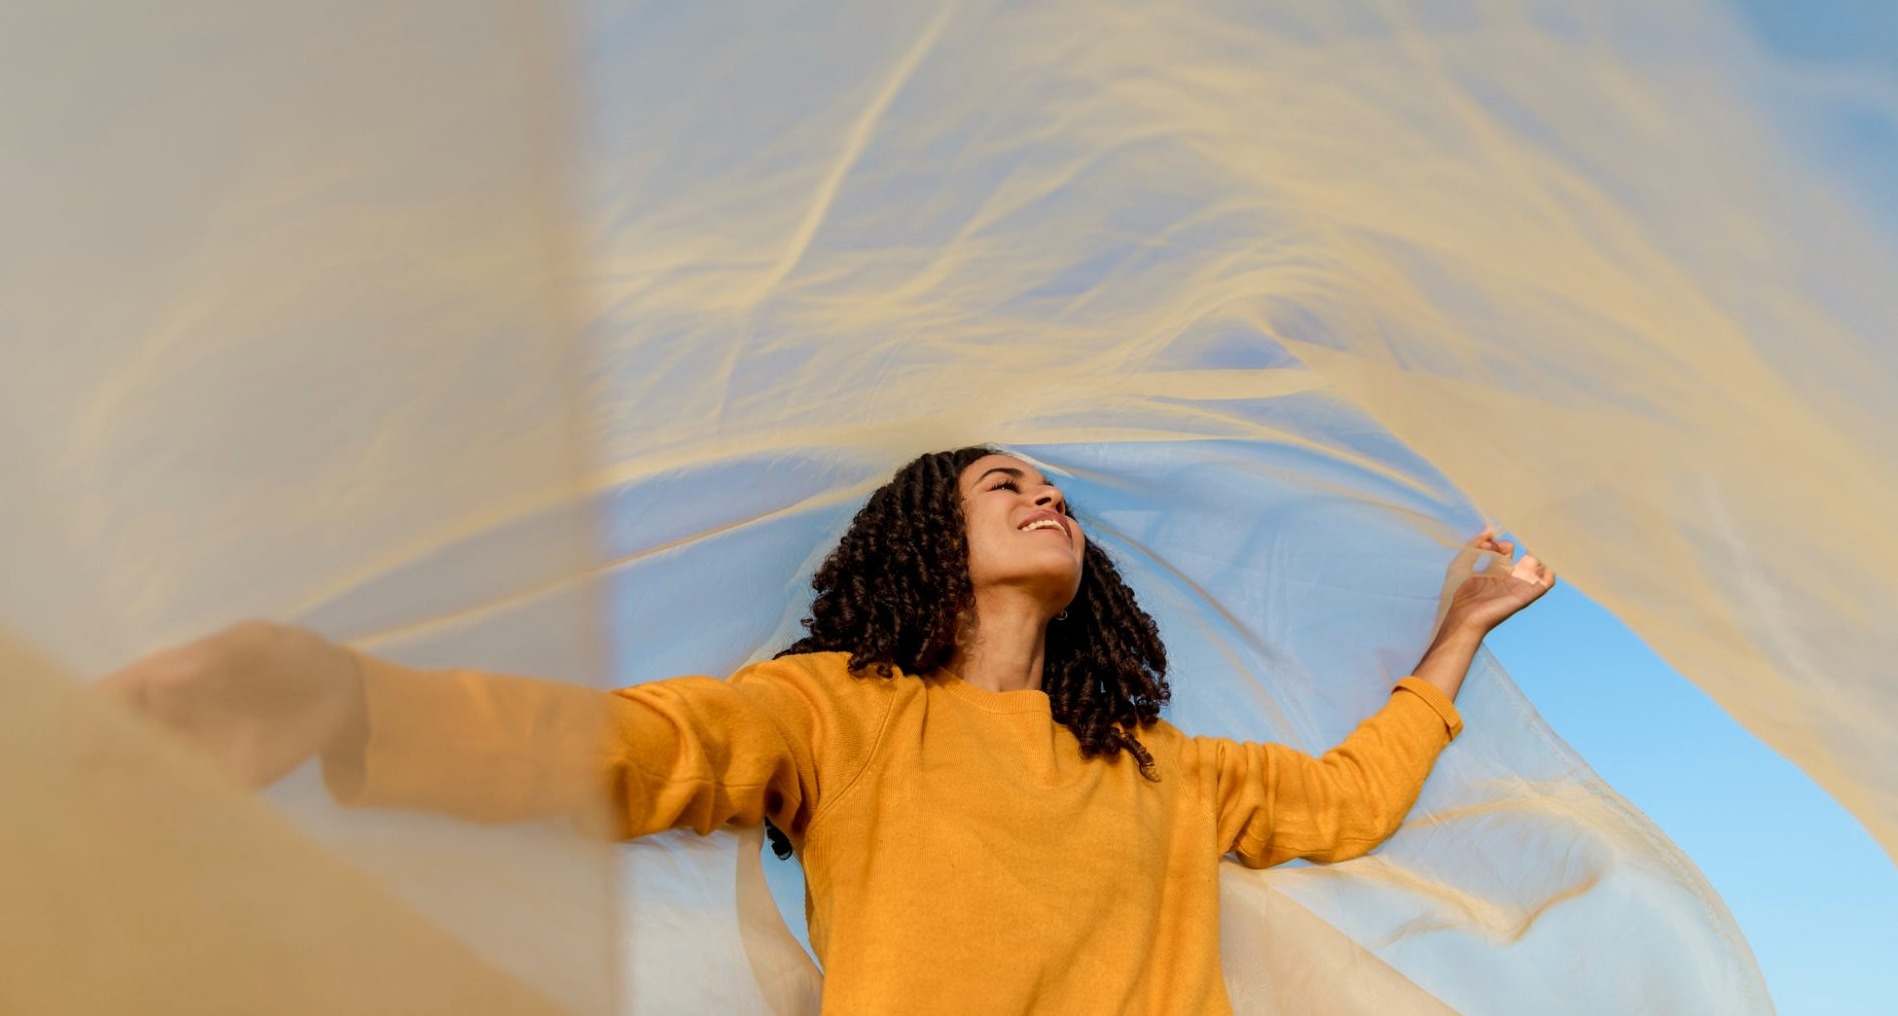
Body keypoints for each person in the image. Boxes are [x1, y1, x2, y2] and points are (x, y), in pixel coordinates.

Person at [102, 445, 1555, 1015]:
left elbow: (1342, 803)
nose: (1044, 497)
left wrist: (1462, 628)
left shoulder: (1161, 769)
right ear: (923, 537)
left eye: (1055, 489)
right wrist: (343, 700)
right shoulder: (833, 714)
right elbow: (626, 750)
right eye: (1002, 483)